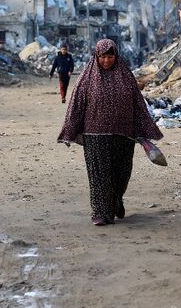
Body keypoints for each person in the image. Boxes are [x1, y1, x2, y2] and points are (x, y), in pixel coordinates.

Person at [57, 39, 164, 226]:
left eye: (110, 56)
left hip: (123, 134)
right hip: (95, 134)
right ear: (96, 57)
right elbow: (76, 106)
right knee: (99, 174)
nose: (106, 61)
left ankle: (115, 201)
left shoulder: (126, 76)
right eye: (102, 57)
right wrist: (70, 130)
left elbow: (138, 105)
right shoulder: (87, 78)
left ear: (116, 56)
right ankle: (100, 212)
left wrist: (143, 129)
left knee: (121, 174)